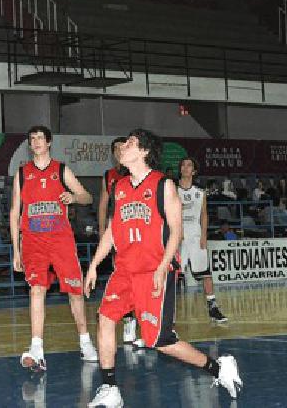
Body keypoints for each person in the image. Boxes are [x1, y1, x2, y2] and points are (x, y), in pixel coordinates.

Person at [82, 129, 243, 407]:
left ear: (144, 151)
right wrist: (95, 264)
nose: (123, 146)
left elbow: (178, 230)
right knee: (105, 318)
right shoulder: (118, 187)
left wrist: (163, 266)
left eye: (130, 143)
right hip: (124, 270)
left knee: (161, 341)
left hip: (152, 271)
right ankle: (110, 388)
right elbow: (112, 231)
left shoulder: (162, 185)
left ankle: (219, 369)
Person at [10, 125, 99, 371]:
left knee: (75, 290)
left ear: (48, 143)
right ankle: (36, 347)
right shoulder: (22, 173)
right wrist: (16, 250)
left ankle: (85, 342)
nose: (36, 141)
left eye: (40, 138)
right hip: (33, 241)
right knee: (36, 290)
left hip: (60, 240)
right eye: (32, 138)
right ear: (30, 145)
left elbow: (88, 197)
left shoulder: (60, 170)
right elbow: (14, 213)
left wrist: (74, 197)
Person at [175, 157, 229, 323]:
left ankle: (213, 308)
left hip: (196, 234)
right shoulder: (172, 189)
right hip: (177, 235)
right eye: (183, 165)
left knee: (205, 273)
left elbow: (204, 214)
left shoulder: (200, 190)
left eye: (189, 165)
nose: (185, 167)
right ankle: (169, 313)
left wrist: (204, 235)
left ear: (194, 171)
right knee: (173, 276)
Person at [97, 136, 139, 346]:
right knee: (122, 275)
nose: (119, 151)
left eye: (123, 147)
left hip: (139, 230)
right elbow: (103, 204)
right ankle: (129, 317)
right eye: (115, 149)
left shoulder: (137, 171)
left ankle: (150, 318)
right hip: (117, 231)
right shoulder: (109, 176)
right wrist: (102, 230)